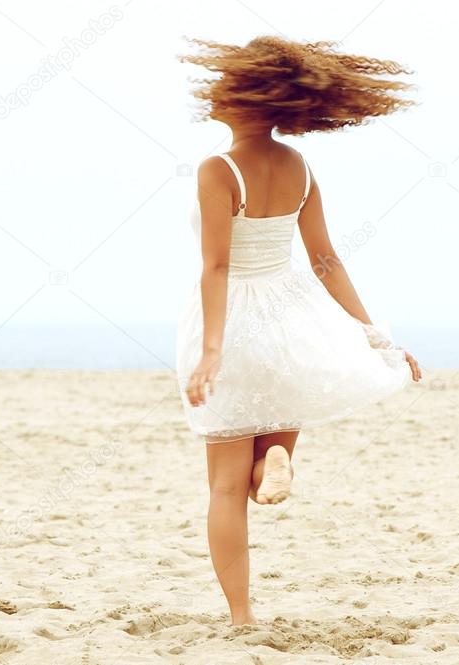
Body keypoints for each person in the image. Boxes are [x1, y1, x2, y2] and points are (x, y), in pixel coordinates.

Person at [175, 36, 422, 625]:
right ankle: (278, 457)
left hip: (234, 326)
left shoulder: (219, 168)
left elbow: (217, 265)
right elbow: (326, 260)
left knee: (226, 490)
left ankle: (242, 619)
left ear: (245, 96)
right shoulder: (299, 167)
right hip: (294, 324)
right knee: (262, 470)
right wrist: (374, 336)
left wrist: (211, 351)